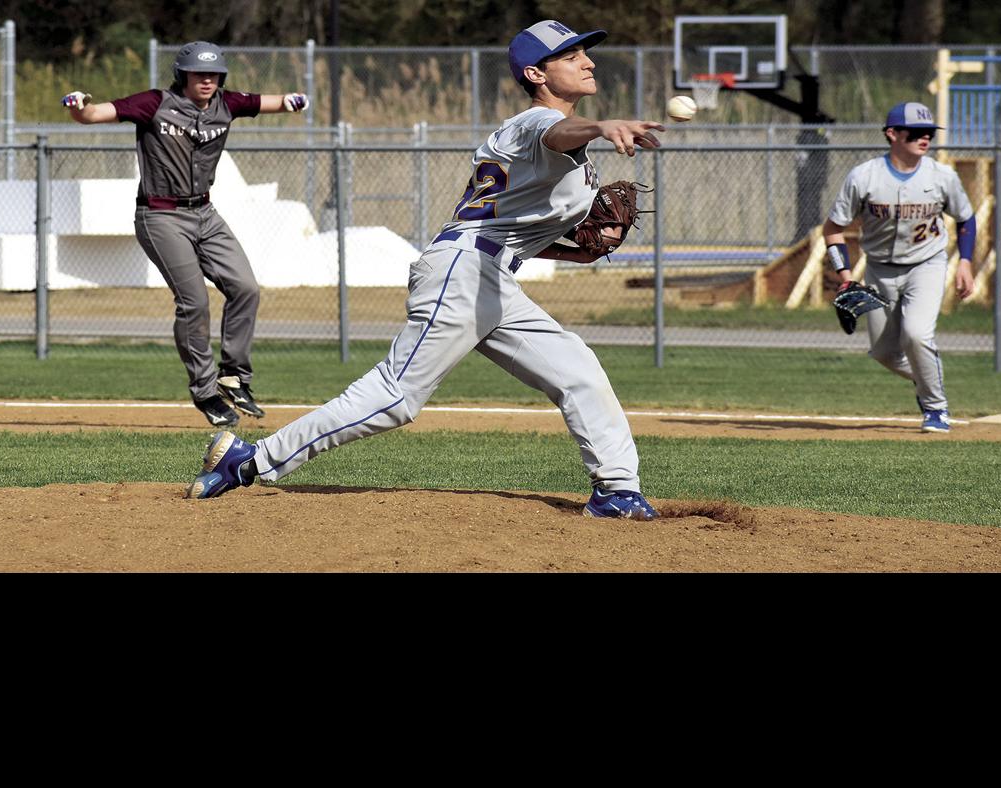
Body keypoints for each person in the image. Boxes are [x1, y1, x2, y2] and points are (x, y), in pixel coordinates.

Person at [187, 20, 666, 520]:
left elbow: (509, 230)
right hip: (461, 272)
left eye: (584, 53)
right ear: (535, 73)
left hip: (491, 276)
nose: (588, 61)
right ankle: (251, 460)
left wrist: (575, 252)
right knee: (398, 395)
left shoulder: (563, 146)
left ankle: (616, 490)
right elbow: (558, 132)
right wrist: (602, 125)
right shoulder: (534, 123)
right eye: (571, 56)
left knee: (579, 371)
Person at [62, 41, 310, 428]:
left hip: (205, 213)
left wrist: (296, 100)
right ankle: (206, 391)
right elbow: (94, 114)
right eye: (199, 74)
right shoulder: (154, 103)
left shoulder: (227, 104)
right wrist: (80, 107)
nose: (207, 80)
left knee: (245, 287)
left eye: (213, 74)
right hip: (160, 216)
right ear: (183, 75)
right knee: (194, 302)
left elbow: (270, 102)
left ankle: (234, 376)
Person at [821, 102, 978, 433]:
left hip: (927, 263)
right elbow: (832, 229)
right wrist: (846, 277)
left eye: (930, 134)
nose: (925, 139)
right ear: (892, 134)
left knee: (917, 334)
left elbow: (965, 219)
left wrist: (965, 261)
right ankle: (926, 381)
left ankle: (936, 409)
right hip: (879, 268)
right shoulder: (864, 177)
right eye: (916, 133)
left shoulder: (941, 176)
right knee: (884, 353)